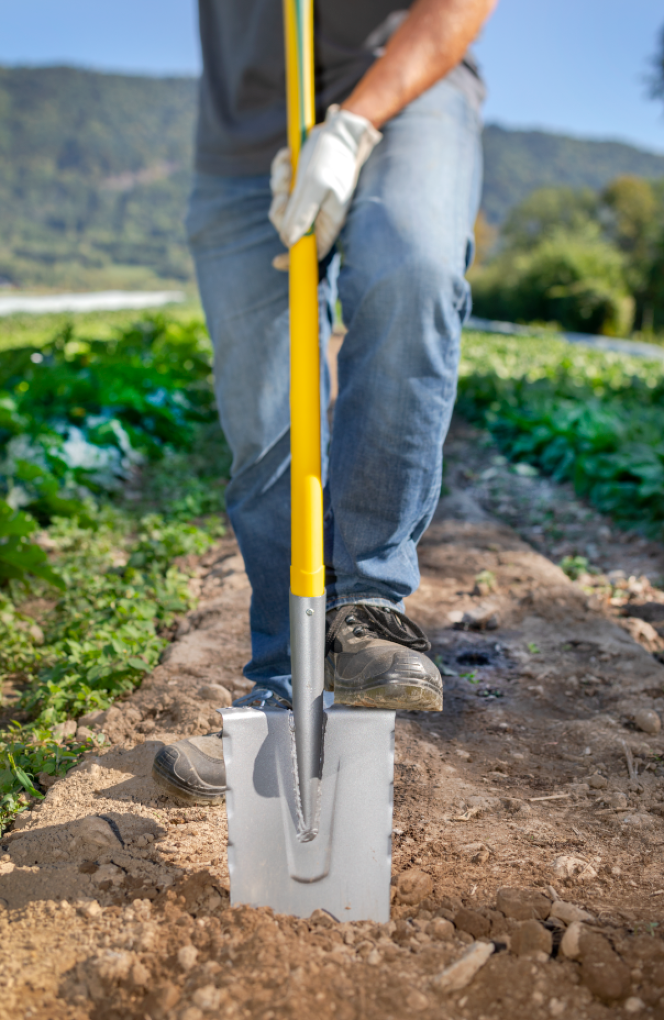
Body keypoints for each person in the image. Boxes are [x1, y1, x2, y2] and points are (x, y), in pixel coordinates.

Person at [152, 0, 495, 804]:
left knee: (413, 265)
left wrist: (350, 128)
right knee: (265, 406)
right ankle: (282, 685)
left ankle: (367, 614)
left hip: (406, 85)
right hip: (245, 130)